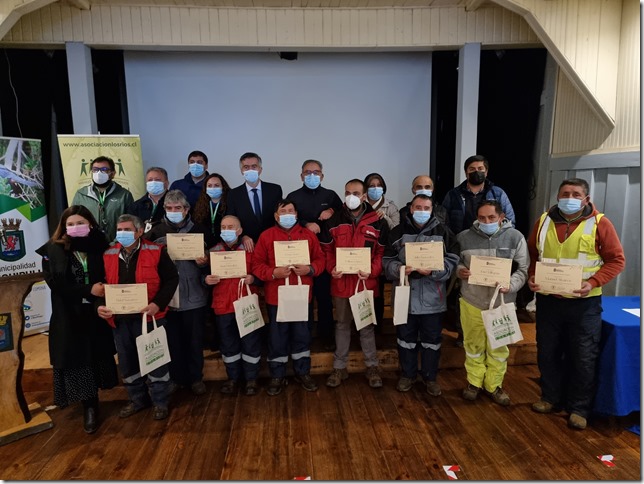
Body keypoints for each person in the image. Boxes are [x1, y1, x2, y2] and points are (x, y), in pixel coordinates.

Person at [527, 178, 625, 430]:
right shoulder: (543, 222)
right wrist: (532, 278)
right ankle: (550, 397)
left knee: (583, 356)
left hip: (584, 304)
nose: (569, 197)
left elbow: (616, 260)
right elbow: (534, 255)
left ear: (586, 199)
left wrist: (593, 282)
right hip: (549, 301)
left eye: (575, 193)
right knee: (547, 352)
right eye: (564, 193)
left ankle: (579, 408)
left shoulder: (600, 224)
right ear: (557, 196)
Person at [35, 206, 118, 434]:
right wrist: (88, 289)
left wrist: (99, 297)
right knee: (78, 360)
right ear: (63, 226)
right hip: (69, 314)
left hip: (96, 312)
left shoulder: (102, 246)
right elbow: (57, 284)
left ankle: (96, 400)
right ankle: (88, 406)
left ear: (90, 223)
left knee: (96, 356)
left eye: (80, 223)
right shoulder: (52, 250)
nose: (74, 228)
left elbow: (110, 275)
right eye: (70, 224)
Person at [97, 214, 179, 421]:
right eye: (119, 229)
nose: (122, 234)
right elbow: (100, 286)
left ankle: (160, 401)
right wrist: (100, 307)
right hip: (120, 319)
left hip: (150, 317)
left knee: (155, 360)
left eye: (127, 229)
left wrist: (157, 304)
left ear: (140, 231)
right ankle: (137, 400)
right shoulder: (107, 254)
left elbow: (171, 280)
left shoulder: (157, 251)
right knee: (127, 362)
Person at [382, 194, 459, 396]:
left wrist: (434, 271)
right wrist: (399, 268)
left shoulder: (443, 232)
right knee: (404, 339)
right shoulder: (397, 232)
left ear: (432, 209)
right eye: (418, 207)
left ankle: (430, 378)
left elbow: (452, 261)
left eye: (426, 207)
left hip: (433, 299)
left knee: (432, 341)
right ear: (410, 209)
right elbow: (386, 261)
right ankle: (407, 375)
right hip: (404, 299)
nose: (422, 211)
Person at [456, 200, 528, 405]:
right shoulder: (464, 237)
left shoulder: (516, 238)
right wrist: (460, 271)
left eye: (491, 218)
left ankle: (494, 385)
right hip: (472, 301)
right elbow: (457, 262)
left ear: (501, 217)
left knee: (499, 348)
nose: (486, 221)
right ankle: (474, 383)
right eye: (481, 218)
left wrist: (511, 285)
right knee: (472, 345)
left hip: (503, 303)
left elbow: (523, 270)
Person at [251, 199, 326, 396]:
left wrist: (310, 269)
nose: (287, 214)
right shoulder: (266, 236)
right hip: (276, 296)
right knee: (277, 337)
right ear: (276, 216)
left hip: (302, 295)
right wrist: (273, 273)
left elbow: (321, 259)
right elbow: (256, 265)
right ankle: (277, 375)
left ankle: (303, 373)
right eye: (282, 211)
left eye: (291, 210)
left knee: (302, 335)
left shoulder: (308, 236)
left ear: (296, 214)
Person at [320, 179, 389, 389]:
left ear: (365, 196)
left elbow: (381, 253)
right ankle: (339, 367)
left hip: (365, 284)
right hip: (341, 284)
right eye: (348, 192)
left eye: (357, 193)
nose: (352, 196)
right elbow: (327, 250)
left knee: (367, 327)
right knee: (341, 326)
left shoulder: (378, 222)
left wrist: (373, 271)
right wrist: (332, 268)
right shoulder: (333, 220)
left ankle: (372, 366)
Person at [147, 190, 211, 396]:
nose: (173, 211)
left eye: (178, 208)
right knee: (172, 341)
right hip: (167, 299)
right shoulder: (155, 233)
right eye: (169, 208)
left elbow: (213, 265)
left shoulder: (201, 231)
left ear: (186, 209)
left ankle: (195, 378)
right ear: (164, 209)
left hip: (194, 296)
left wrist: (204, 263)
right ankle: (175, 378)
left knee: (194, 341)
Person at [287, 159, 343, 350]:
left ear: (322, 175)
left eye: (316, 172)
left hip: (326, 254)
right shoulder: (293, 196)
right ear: (301, 175)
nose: (312, 175)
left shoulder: (331, 195)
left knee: (325, 298)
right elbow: (288, 219)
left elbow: (342, 215)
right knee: (305, 298)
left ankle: (326, 337)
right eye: (308, 172)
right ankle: (305, 337)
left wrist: (331, 209)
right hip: (302, 254)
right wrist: (305, 224)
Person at [205, 215, 262, 396]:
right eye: (223, 226)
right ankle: (233, 379)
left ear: (240, 230)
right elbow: (203, 277)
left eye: (231, 226)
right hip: (223, 305)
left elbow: (261, 272)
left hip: (246, 303)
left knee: (251, 343)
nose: (226, 230)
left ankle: (251, 379)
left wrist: (254, 278)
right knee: (228, 345)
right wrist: (205, 279)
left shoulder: (251, 250)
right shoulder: (213, 252)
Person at [441, 155, 515, 236]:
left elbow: (509, 221)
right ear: (466, 173)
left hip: (491, 243)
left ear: (486, 172)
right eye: (472, 169)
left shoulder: (498, 193)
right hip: (461, 244)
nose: (476, 172)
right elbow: (443, 223)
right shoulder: (453, 195)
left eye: (480, 169)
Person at [364, 172, 399, 333]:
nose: (375, 188)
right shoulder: (359, 203)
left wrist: (384, 216)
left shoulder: (390, 206)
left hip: (383, 253)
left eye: (378, 185)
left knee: (378, 293)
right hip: (363, 254)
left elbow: (396, 230)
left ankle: (377, 327)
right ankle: (363, 327)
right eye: (371, 185)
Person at [225, 152, 283, 250]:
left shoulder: (275, 190)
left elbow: (279, 216)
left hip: (272, 242)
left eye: (254, 166)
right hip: (247, 245)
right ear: (241, 171)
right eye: (246, 167)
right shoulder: (233, 194)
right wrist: (242, 236)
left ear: (260, 169)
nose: (250, 170)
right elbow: (232, 220)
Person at [71, 155, 134, 241]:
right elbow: (73, 222)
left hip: (116, 247)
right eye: (95, 170)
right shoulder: (81, 195)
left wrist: (115, 245)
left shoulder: (124, 195)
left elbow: (130, 224)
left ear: (113, 173)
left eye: (104, 170)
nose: (99, 173)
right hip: (88, 246)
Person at [126, 166, 169, 234]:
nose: (153, 182)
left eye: (157, 180)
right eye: (150, 180)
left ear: (166, 183)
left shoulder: (175, 204)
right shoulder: (135, 206)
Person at [192, 172, 232, 245]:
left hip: (226, 244)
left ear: (223, 187)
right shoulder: (200, 206)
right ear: (205, 189)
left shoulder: (231, 204)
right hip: (206, 244)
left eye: (216, 185)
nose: (213, 188)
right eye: (209, 186)